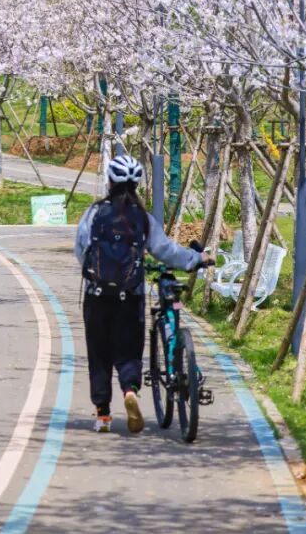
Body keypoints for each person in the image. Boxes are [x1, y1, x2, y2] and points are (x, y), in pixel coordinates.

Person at [74, 151, 212, 435]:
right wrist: (196, 259)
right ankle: (130, 391)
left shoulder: (93, 214)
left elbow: (81, 250)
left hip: (96, 295)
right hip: (130, 295)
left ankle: (103, 415)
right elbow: (166, 251)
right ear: (137, 185)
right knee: (128, 350)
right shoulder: (142, 219)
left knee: (99, 353)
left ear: (110, 182)